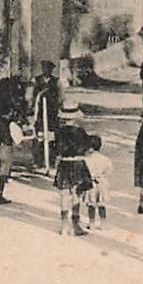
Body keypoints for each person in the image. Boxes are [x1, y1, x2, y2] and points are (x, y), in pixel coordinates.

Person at [53, 100, 95, 236]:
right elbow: (88, 147)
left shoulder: (58, 132)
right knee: (76, 193)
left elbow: (56, 148)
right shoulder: (80, 132)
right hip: (77, 164)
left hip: (64, 163)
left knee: (64, 194)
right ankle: (75, 223)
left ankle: (64, 224)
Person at [32, 60, 62, 169]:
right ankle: (38, 160)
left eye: (48, 68)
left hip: (52, 114)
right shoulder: (37, 80)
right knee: (39, 137)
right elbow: (33, 96)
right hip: (40, 113)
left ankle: (51, 160)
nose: (46, 70)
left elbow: (60, 97)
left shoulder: (56, 82)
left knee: (52, 137)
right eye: (44, 68)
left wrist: (58, 107)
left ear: (51, 70)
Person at [83, 135, 114, 230]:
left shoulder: (87, 159)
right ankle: (103, 223)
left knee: (91, 205)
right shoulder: (104, 159)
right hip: (102, 182)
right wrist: (103, 176)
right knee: (101, 204)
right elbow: (109, 169)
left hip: (90, 183)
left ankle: (91, 222)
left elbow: (84, 170)